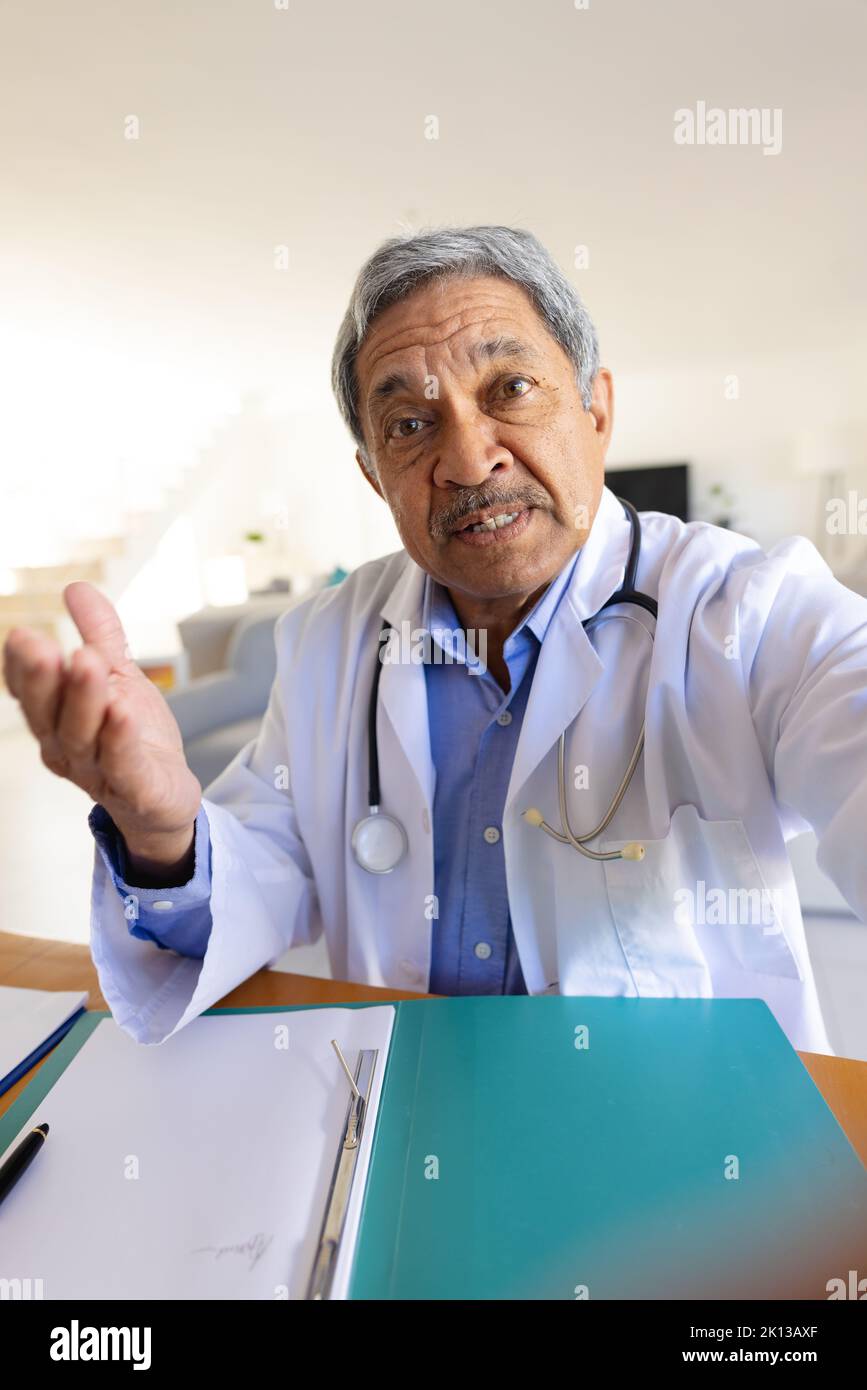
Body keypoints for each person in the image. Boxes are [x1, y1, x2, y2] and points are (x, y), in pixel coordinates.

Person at [5, 225, 867, 1051]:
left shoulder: (746, 607)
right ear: (373, 474)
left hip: (689, 1129)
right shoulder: (326, 638)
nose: (465, 458)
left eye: (510, 390)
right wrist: (163, 834)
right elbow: (266, 864)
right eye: (409, 425)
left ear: (595, 408)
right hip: (397, 1109)